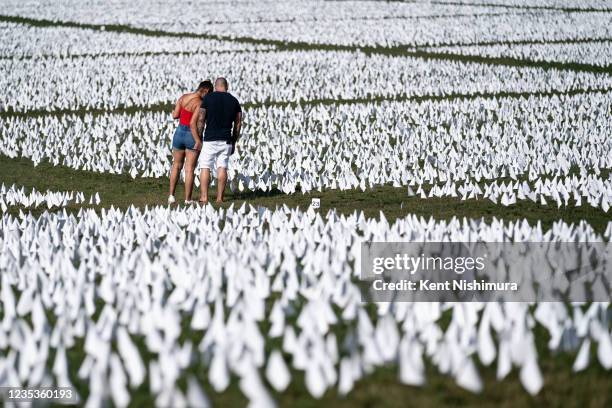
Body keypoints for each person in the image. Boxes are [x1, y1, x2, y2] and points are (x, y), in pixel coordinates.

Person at [192, 77, 242, 204]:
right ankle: (220, 198)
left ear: (216, 86)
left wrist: (199, 137)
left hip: (210, 139)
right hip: (226, 140)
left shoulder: (208, 98)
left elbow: (201, 120)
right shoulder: (234, 101)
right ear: (227, 86)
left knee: (205, 167)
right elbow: (238, 124)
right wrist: (234, 141)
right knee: (222, 167)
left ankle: (204, 197)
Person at [168, 80, 213, 205]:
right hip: (191, 135)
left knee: (176, 166)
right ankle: (187, 199)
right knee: (189, 169)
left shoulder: (183, 97)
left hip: (178, 133)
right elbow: (193, 125)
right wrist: (198, 141)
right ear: (206, 91)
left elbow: (175, 115)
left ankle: (171, 196)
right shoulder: (200, 103)